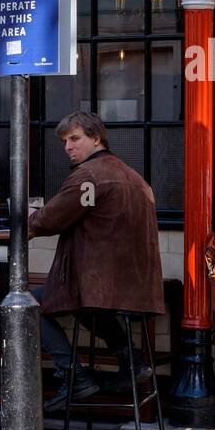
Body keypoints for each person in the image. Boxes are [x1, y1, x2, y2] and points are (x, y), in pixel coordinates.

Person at [28, 112, 167, 411]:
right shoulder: (132, 175)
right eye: (65, 141)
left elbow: (45, 221)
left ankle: (74, 376)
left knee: (28, 306)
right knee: (81, 302)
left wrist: (27, 216)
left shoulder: (88, 175)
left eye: (75, 138)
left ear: (96, 138)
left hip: (104, 286)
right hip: (133, 287)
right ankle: (132, 362)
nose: (68, 147)